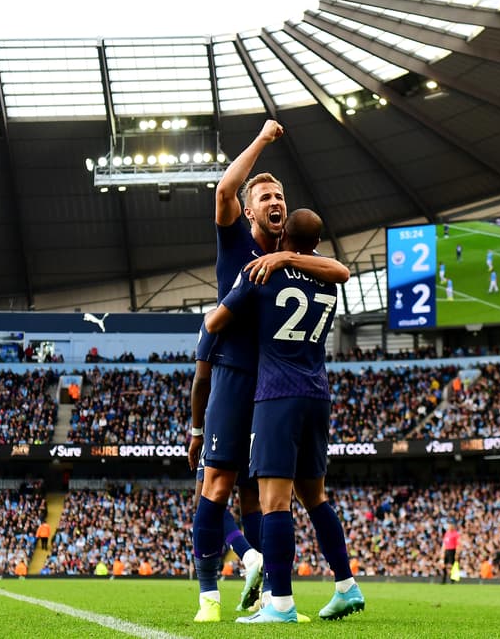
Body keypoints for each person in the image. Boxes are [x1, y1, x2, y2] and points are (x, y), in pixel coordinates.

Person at [189, 120, 350, 624]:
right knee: (215, 485)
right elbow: (223, 188)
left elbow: (341, 270)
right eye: (266, 196)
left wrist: (285, 254)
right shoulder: (237, 242)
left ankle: (269, 594)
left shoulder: (297, 258)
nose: (275, 201)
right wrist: (261, 140)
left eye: (280, 194)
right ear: (250, 210)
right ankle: (208, 597)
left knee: (260, 496)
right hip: (237, 375)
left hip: (275, 387)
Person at [207, 208, 364, 624]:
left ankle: (280, 605)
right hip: (317, 393)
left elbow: (215, 320)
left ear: (285, 240)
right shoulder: (328, 281)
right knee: (315, 497)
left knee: (274, 501)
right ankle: (347, 586)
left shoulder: (263, 274)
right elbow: (339, 269)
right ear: (315, 242)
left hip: (276, 396)